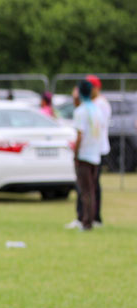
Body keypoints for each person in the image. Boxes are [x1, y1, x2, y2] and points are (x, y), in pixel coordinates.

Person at [70, 79, 103, 232]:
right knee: (91, 190)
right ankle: (90, 219)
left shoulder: (80, 111)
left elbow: (79, 136)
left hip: (84, 156)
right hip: (95, 155)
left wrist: (75, 154)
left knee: (85, 191)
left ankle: (86, 222)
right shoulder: (97, 110)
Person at [86, 74, 111, 226]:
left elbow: (96, 125)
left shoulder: (100, 104)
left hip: (98, 148)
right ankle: (91, 216)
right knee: (91, 183)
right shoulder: (93, 103)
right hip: (93, 148)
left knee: (94, 183)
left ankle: (96, 217)